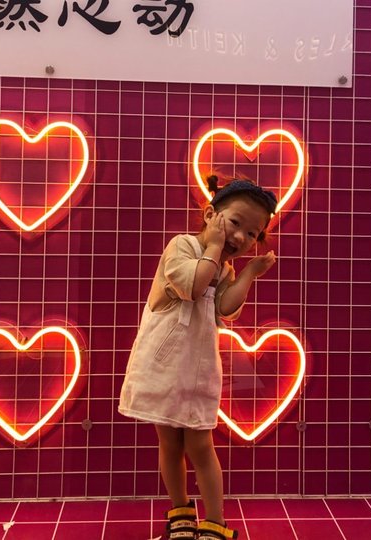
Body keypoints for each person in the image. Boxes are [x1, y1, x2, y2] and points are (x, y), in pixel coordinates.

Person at [119, 176, 277, 540]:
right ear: (210, 215)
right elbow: (192, 286)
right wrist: (215, 247)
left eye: (252, 234)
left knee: (200, 445)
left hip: (198, 367)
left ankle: (215, 522)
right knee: (170, 442)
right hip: (163, 365)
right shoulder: (183, 246)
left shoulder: (224, 267)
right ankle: (181, 514)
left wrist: (249, 273)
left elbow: (225, 307)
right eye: (234, 222)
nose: (240, 237)